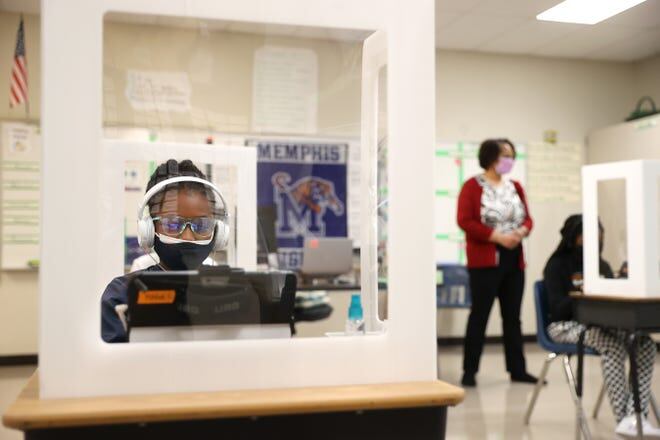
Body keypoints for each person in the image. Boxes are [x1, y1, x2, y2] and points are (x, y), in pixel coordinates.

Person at [544, 214, 660, 437]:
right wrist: (582, 296)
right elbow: (557, 308)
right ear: (575, 237)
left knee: (645, 345)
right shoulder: (556, 265)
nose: (596, 243)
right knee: (612, 346)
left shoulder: (602, 265)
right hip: (562, 326)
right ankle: (624, 418)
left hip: (599, 325)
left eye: (600, 238)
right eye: (589, 238)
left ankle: (636, 415)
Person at [101, 159, 227, 343]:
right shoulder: (122, 295)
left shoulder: (229, 291)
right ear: (149, 230)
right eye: (173, 224)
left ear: (218, 231)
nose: (189, 237)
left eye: (202, 225)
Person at [457, 138, 537, 386]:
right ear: (490, 157)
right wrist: (497, 237)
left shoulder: (515, 186)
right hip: (485, 262)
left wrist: (519, 233)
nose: (509, 161)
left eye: (512, 156)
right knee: (479, 315)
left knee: (512, 317)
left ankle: (517, 370)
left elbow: (528, 219)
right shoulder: (472, 186)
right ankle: (469, 371)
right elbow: (465, 221)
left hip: (514, 261)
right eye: (505, 155)